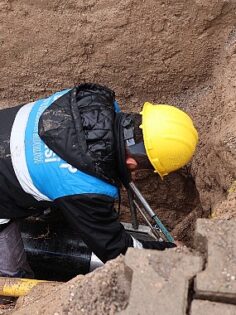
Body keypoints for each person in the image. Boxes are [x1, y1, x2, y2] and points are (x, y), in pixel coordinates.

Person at [0, 83, 198, 278]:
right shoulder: (84, 186)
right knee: (13, 279)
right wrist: (168, 251)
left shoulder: (93, 100)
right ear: (131, 162)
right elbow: (117, 251)